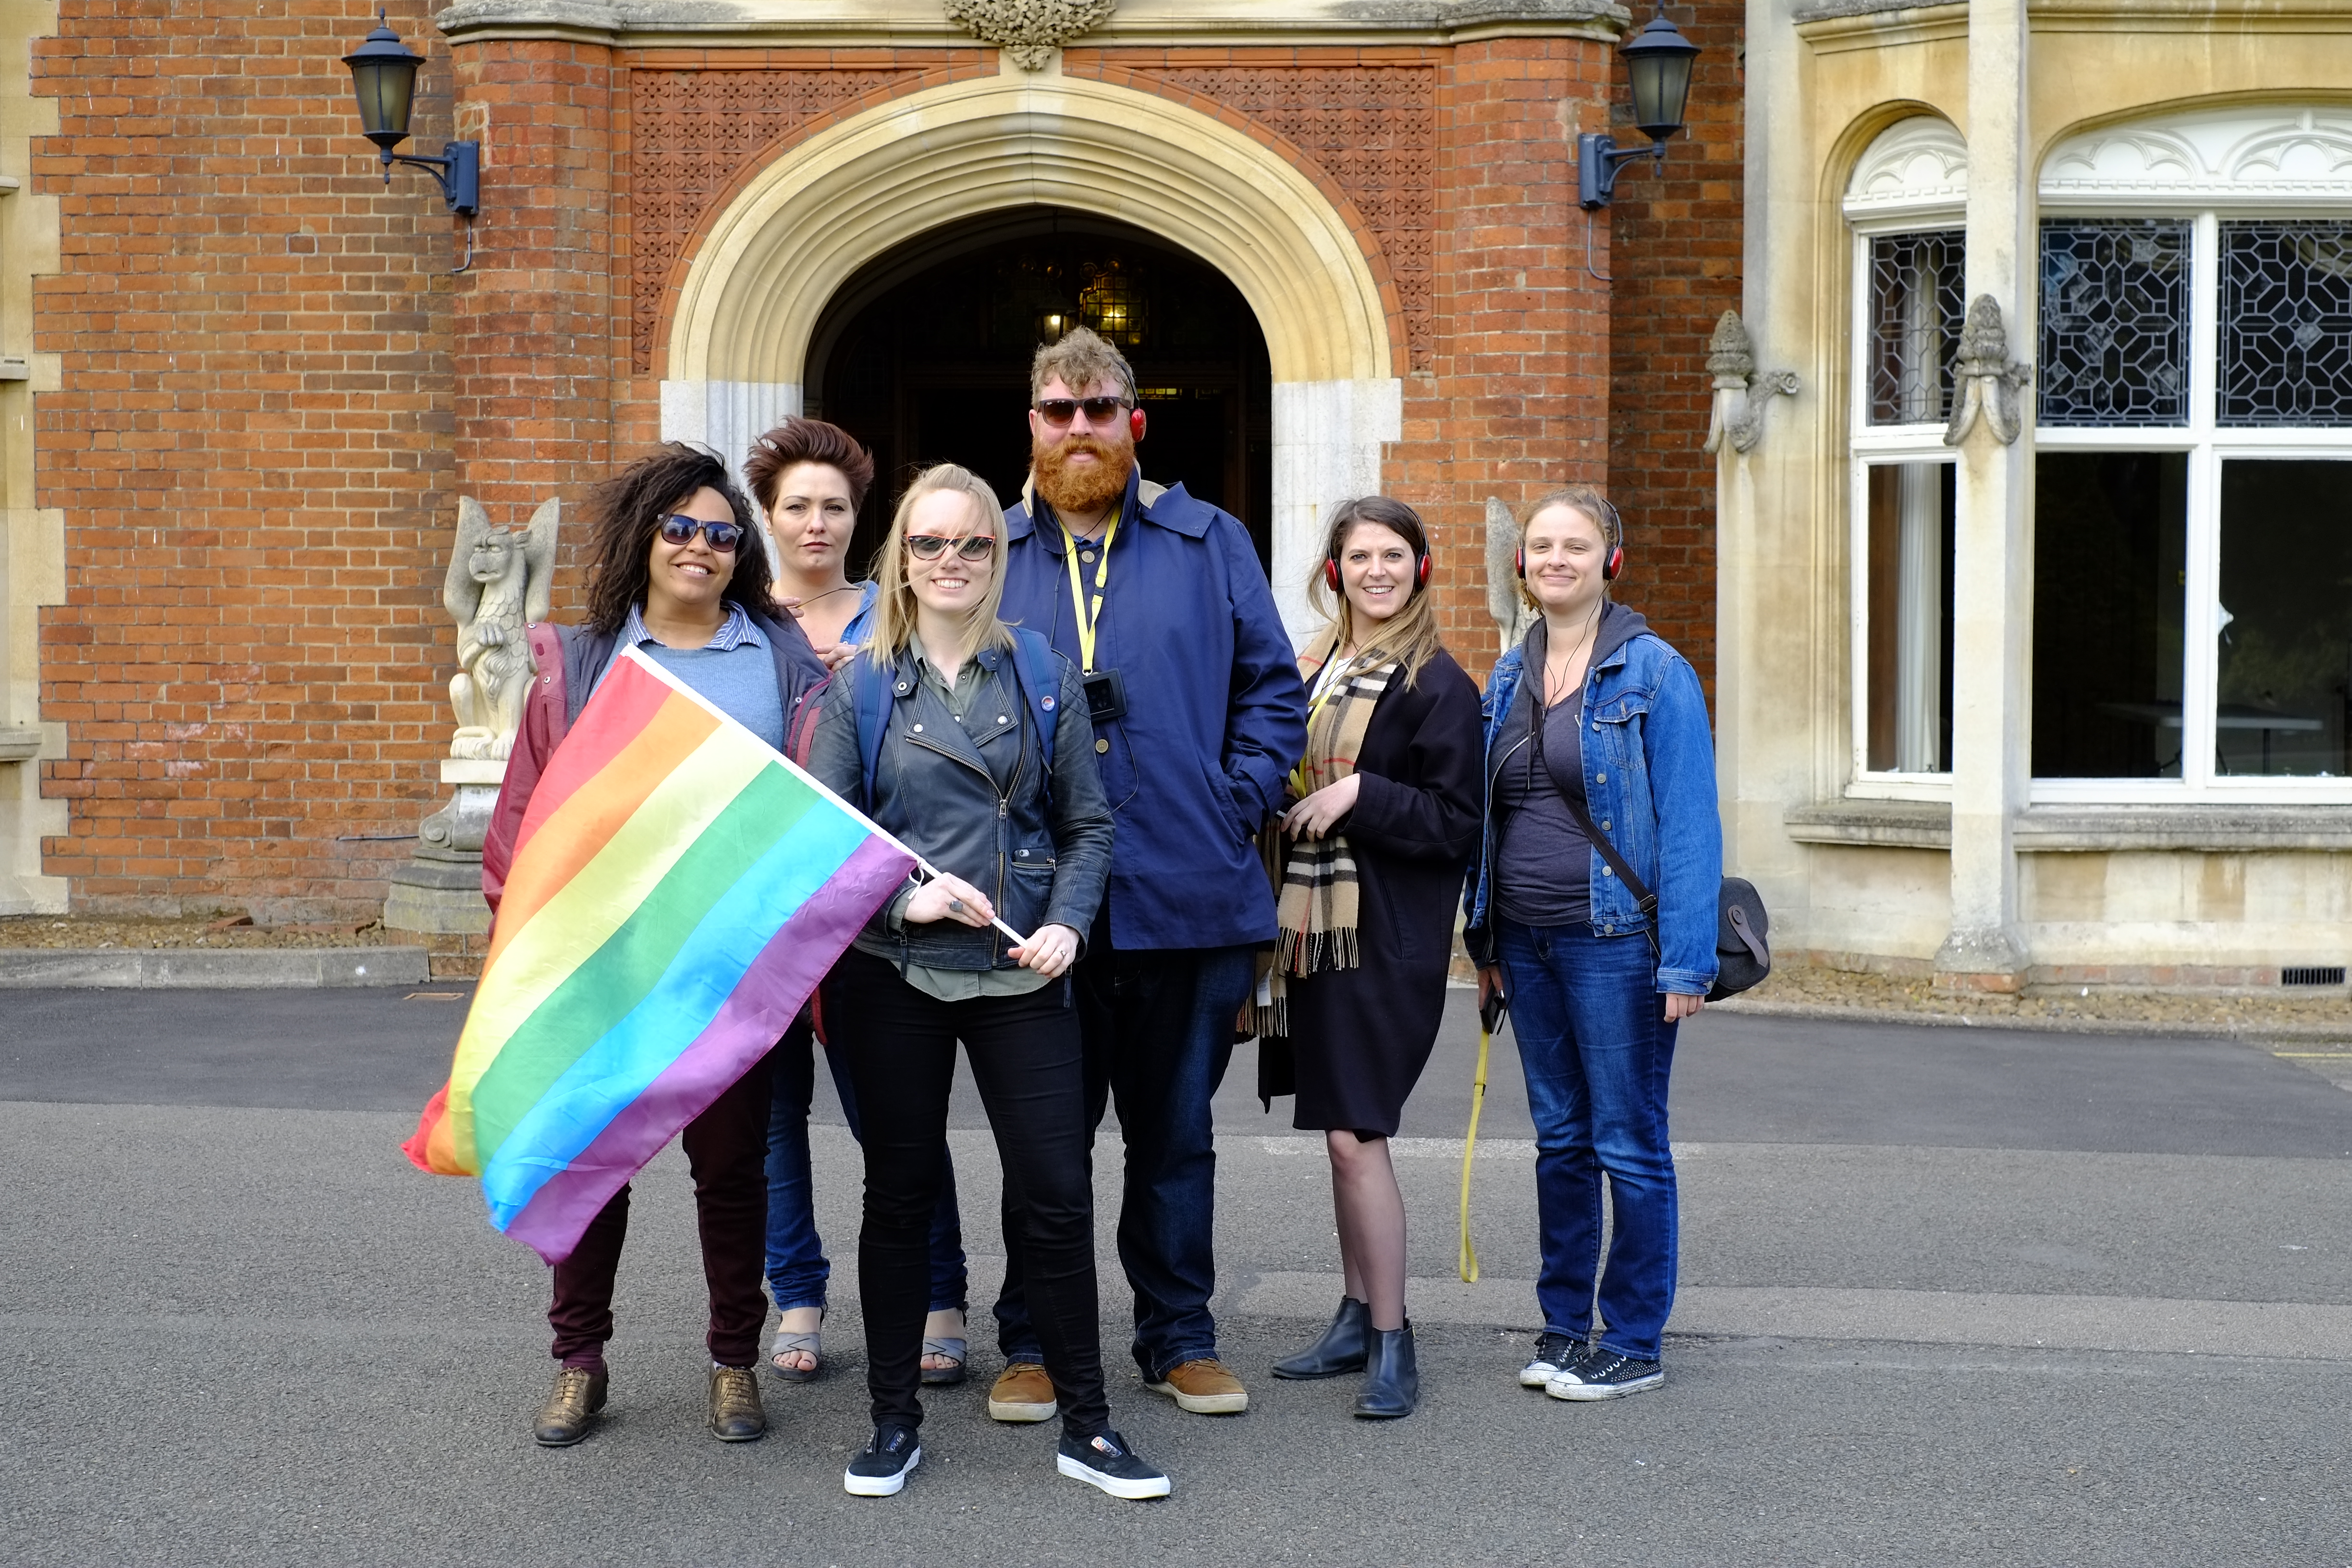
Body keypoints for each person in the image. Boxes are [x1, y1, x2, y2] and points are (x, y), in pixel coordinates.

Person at [807, 463, 1168, 1500]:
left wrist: (1066, 925)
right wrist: (899, 904)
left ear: (997, 556)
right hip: (899, 975)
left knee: (1056, 1197)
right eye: (930, 545)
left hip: (1021, 971)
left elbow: (1088, 824)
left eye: (971, 543)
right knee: (900, 1198)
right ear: (902, 562)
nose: (952, 561)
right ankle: (891, 1422)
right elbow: (828, 844)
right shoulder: (862, 685)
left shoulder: (1040, 669)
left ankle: (1089, 1427)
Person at [482, 442, 828, 1448]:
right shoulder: (587, 663)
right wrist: (524, 946)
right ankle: (577, 1363)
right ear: (644, 537)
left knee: (731, 1176)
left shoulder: (780, 660)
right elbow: (524, 817)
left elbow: (818, 806)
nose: (701, 548)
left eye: (722, 534)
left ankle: (733, 1363)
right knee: (587, 1167)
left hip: (731, 974)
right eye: (680, 527)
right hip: (602, 969)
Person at [990, 327, 1307, 1421]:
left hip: (1187, 886)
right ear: (1029, 425)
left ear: (1137, 422)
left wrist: (1238, 796)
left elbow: (1274, 686)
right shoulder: (986, 549)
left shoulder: (1209, 538)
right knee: (1047, 1141)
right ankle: (1032, 1339)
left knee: (1176, 1137)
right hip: (1037, 907)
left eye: (1099, 407)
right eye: (1057, 409)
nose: (1078, 427)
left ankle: (1178, 1336)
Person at [1460, 484, 1723, 1403]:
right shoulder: (1508, 674)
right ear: (1521, 567)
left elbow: (1692, 827)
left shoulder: (1655, 672)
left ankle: (1637, 1338)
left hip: (1619, 943)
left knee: (1629, 1140)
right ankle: (1565, 1326)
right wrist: (1484, 936)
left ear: (1609, 560)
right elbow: (1489, 820)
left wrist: (1686, 961)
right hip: (1526, 942)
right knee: (1560, 1141)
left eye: (1576, 545)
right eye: (1541, 547)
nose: (1556, 560)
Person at [742, 417, 970, 1387]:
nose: (817, 524)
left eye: (834, 507)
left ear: (858, 517)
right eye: (797, 506)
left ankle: (940, 1294)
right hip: (757, 908)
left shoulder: (898, 612)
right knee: (772, 1117)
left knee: (898, 1116)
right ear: (769, 515)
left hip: (876, 907)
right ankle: (796, 1292)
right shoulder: (737, 623)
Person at [1257, 497, 1482, 1420]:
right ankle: (1355, 1315)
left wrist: (1361, 791)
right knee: (1340, 1134)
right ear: (1334, 570)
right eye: (1360, 556)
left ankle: (1394, 1337)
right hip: (1312, 926)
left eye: (1395, 555)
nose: (1377, 571)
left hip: (1384, 936)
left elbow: (1457, 826)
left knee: (1358, 1134)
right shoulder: (1321, 667)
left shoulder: (1438, 684)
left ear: (1420, 568)